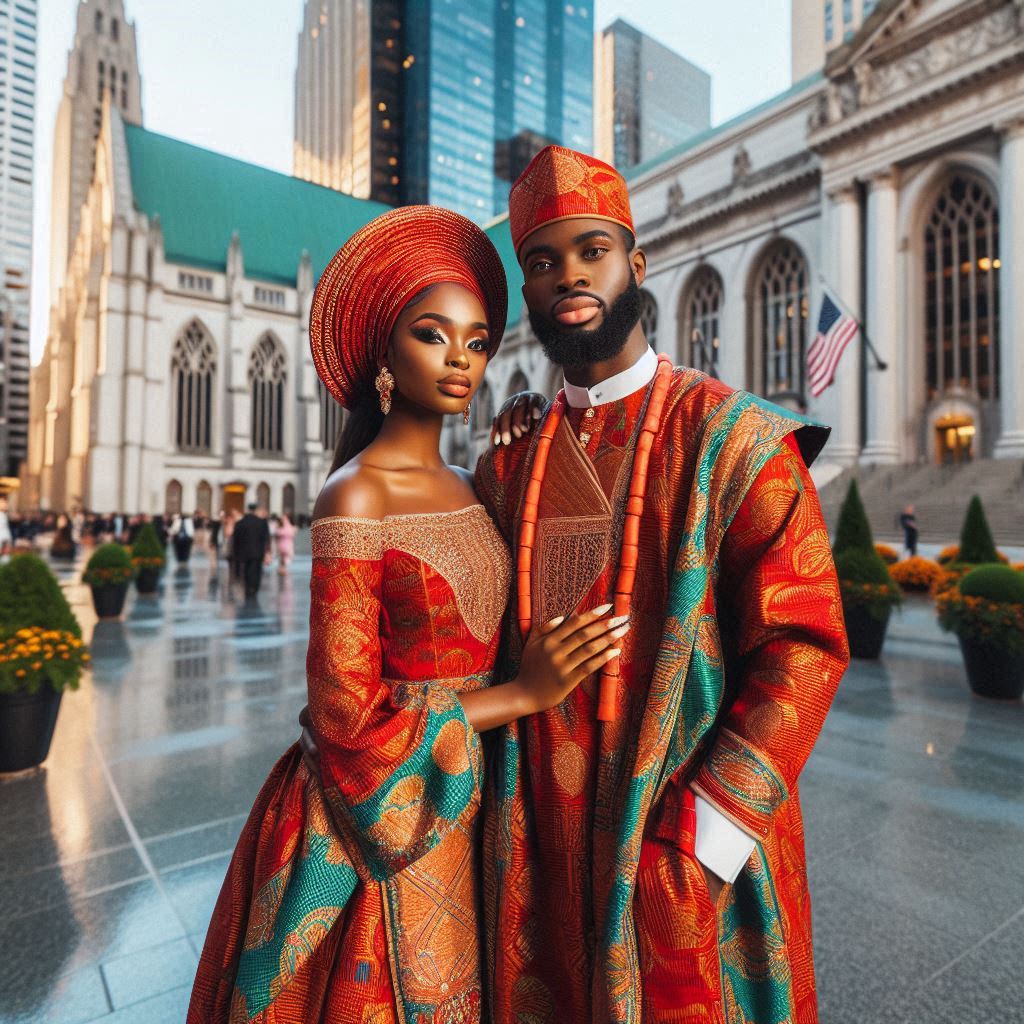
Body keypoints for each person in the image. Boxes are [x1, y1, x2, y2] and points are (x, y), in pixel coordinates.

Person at [187, 206, 623, 1024]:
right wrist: (521, 697)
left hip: (480, 802)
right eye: (434, 334)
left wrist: (528, 421)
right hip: (379, 816)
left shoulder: (475, 482)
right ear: (384, 350)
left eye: (479, 341)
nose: (461, 359)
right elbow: (343, 715)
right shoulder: (355, 496)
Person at [474, 146, 850, 1023]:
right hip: (536, 862)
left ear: (637, 266)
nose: (569, 274)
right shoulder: (507, 465)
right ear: (526, 294)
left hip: (682, 849)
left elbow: (805, 643)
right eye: (543, 260)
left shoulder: (736, 438)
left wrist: (703, 842)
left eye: (592, 250)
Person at [229, 503, 270, 598]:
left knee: (247, 570)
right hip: (258, 551)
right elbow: (266, 538)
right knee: (257, 569)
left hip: (244, 551)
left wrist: (235, 552)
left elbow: (236, 539)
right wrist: (267, 551)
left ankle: (248, 587)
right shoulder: (262, 523)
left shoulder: (240, 523)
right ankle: (254, 587)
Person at [272, 511, 296, 575]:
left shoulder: (281, 527)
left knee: (283, 558)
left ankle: (282, 569)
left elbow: (277, 534)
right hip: (285, 544)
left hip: (283, 544)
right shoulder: (289, 527)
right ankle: (282, 569)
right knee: (283, 558)